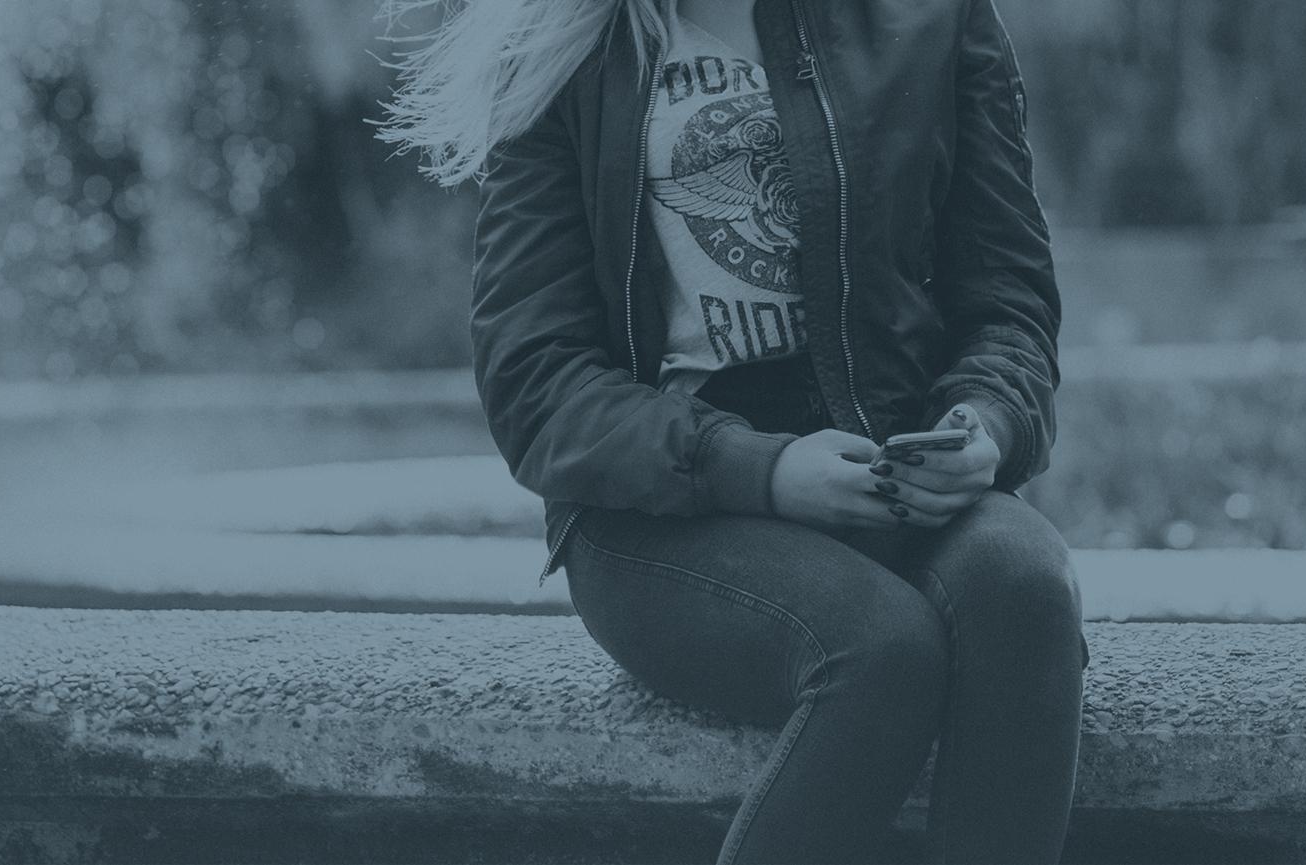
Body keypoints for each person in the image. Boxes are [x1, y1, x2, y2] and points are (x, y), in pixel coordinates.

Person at [375, 0, 1086, 861]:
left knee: (1024, 584)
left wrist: (986, 424)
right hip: (659, 505)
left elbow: (1007, 300)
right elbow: (536, 379)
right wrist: (763, 469)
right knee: (879, 647)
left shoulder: (937, 16)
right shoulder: (565, 47)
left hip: (886, 463)